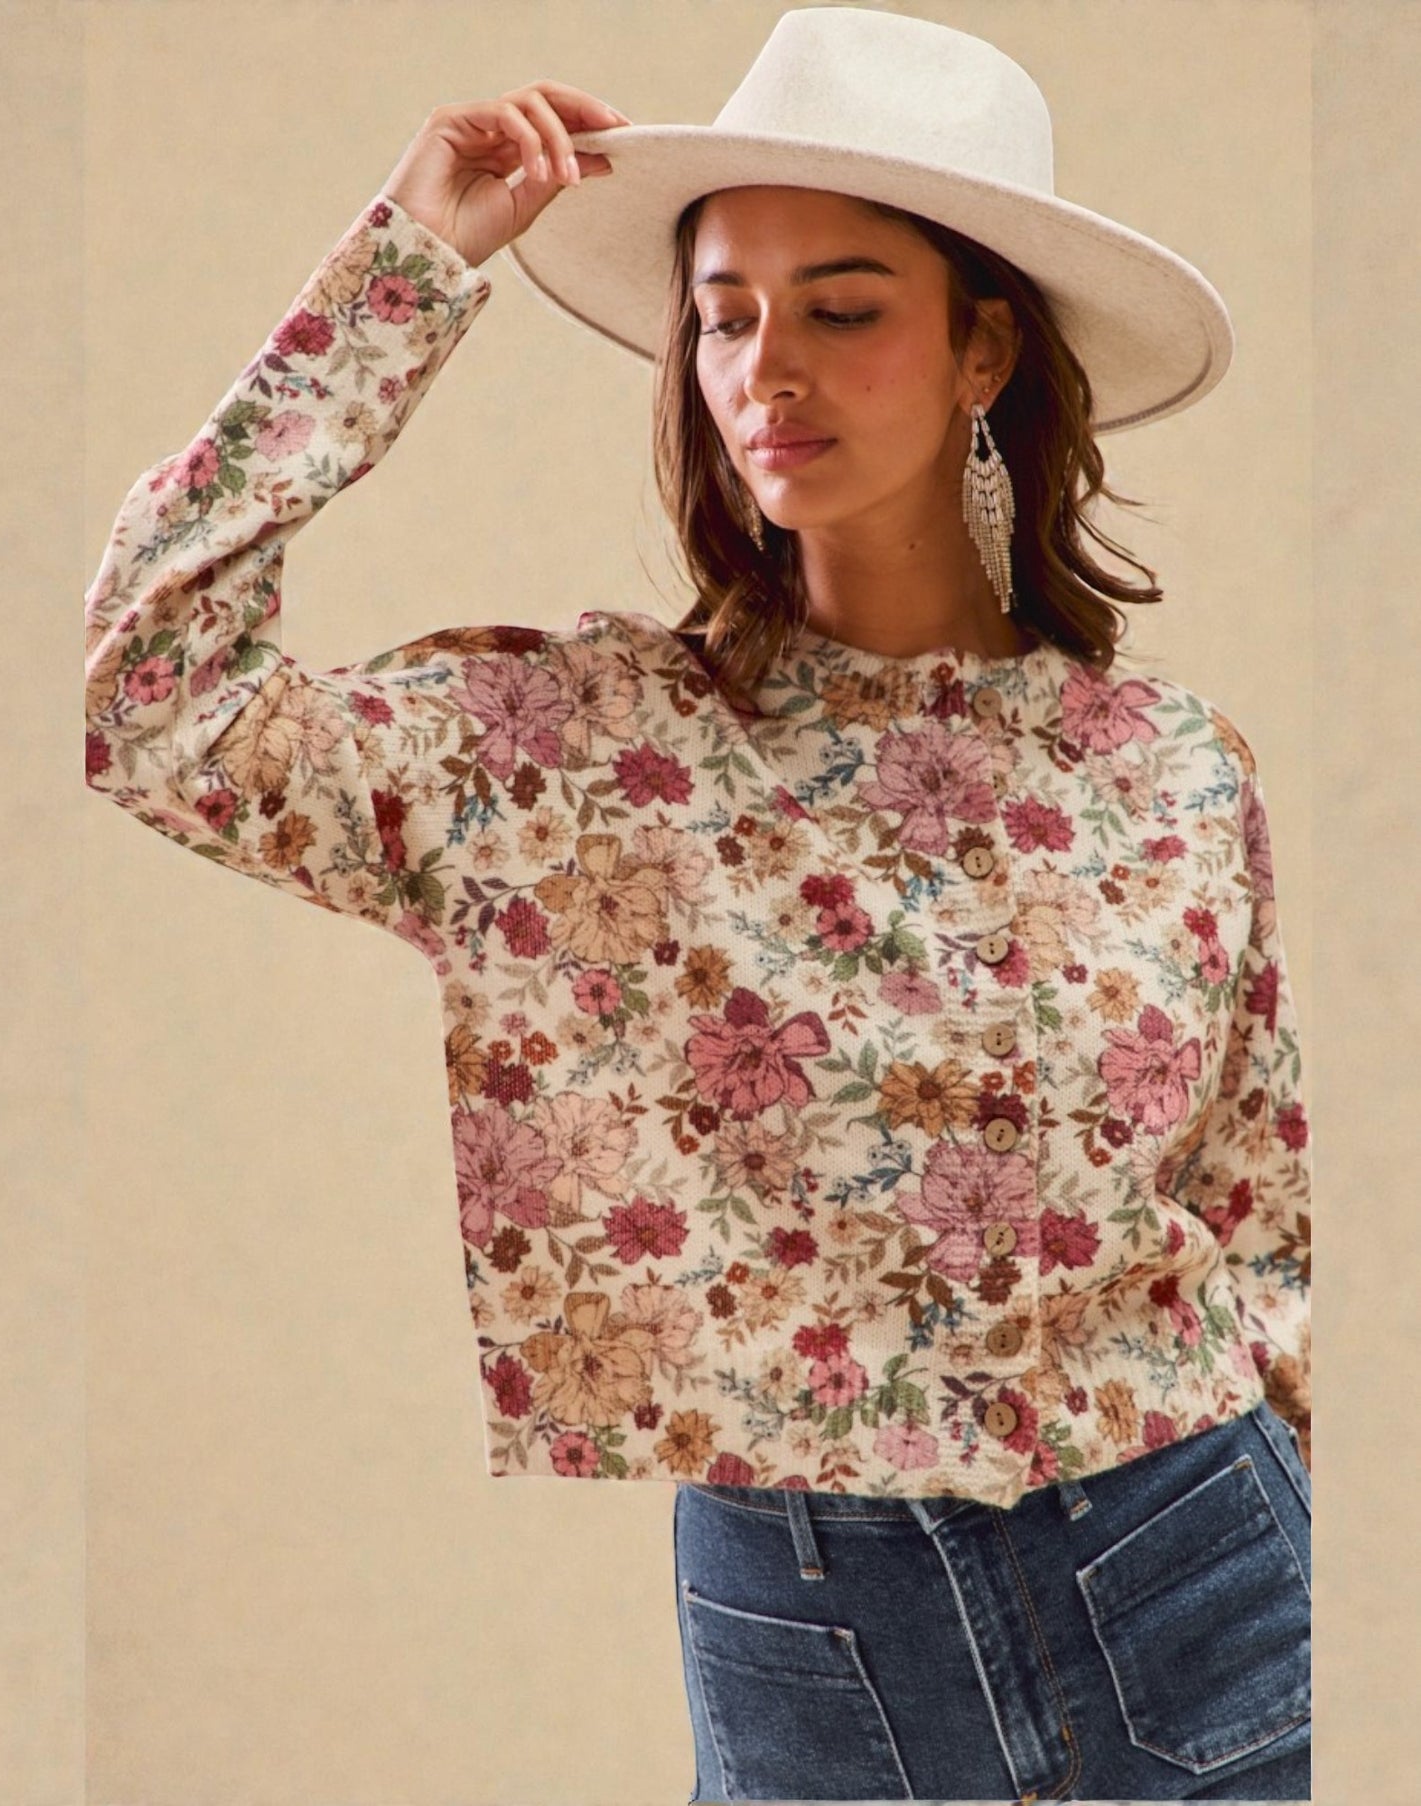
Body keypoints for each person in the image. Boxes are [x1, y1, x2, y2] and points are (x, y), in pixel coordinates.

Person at [83, 8, 1311, 1800]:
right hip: (819, 1619)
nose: (764, 367)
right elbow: (148, 697)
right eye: (723, 314)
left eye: (840, 303)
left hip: (1206, 1558)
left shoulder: (1176, 766)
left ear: (982, 348)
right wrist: (408, 263)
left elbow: (1264, 1223)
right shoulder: (579, 753)